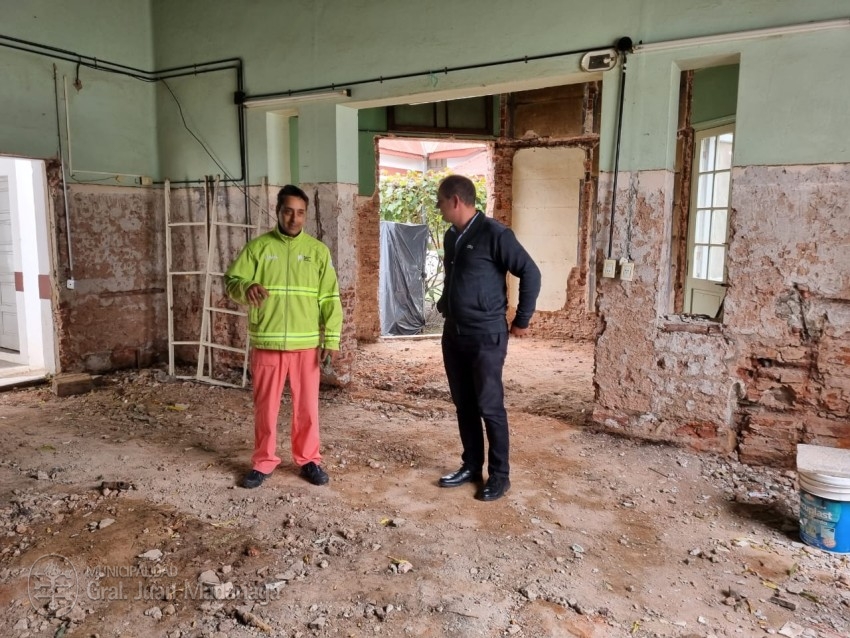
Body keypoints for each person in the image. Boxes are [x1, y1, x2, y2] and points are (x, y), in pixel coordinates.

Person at [225, 185, 343, 489]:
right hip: (268, 342)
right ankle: (263, 462)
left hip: (306, 346)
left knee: (307, 408)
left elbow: (330, 298)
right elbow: (232, 281)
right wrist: (246, 286)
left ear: (306, 215)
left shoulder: (318, 252)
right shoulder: (258, 249)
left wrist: (331, 339)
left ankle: (308, 460)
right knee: (266, 408)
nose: (294, 218)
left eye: (300, 212)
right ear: (278, 211)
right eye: (288, 211)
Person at [435, 175, 541, 501]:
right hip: (454, 335)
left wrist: (521, 319)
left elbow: (531, 272)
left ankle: (500, 476)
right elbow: (455, 276)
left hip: (486, 336)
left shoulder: (495, 234)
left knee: (489, 406)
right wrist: (445, 303)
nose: (438, 208)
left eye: (440, 202)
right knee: (464, 404)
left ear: (455, 201)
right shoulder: (452, 237)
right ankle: (471, 466)